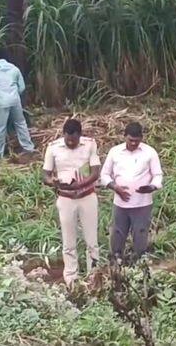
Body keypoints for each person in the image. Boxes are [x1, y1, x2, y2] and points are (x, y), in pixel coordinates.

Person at [42, 119, 101, 287]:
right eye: (68, 139)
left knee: (92, 241)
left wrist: (80, 185)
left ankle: (93, 276)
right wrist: (53, 182)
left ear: (79, 136)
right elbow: (45, 174)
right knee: (68, 241)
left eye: (74, 140)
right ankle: (70, 276)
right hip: (66, 198)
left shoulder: (90, 145)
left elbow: (95, 172)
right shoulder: (53, 147)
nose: (70, 143)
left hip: (87, 197)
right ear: (63, 135)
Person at [101, 122, 163, 263]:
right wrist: (115, 187)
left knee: (140, 232)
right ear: (124, 137)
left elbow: (158, 175)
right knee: (118, 232)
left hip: (142, 203)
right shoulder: (115, 152)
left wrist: (152, 187)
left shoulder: (150, 152)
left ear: (142, 138)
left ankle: (140, 262)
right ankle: (116, 261)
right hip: (120, 203)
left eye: (137, 140)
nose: (134, 143)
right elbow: (104, 175)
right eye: (130, 140)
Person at [0, 49, 35, 159]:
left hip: (0, 103)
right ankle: (29, 148)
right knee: (20, 124)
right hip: (15, 101)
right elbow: (22, 87)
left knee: (0, 128)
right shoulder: (14, 69)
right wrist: (15, 95)